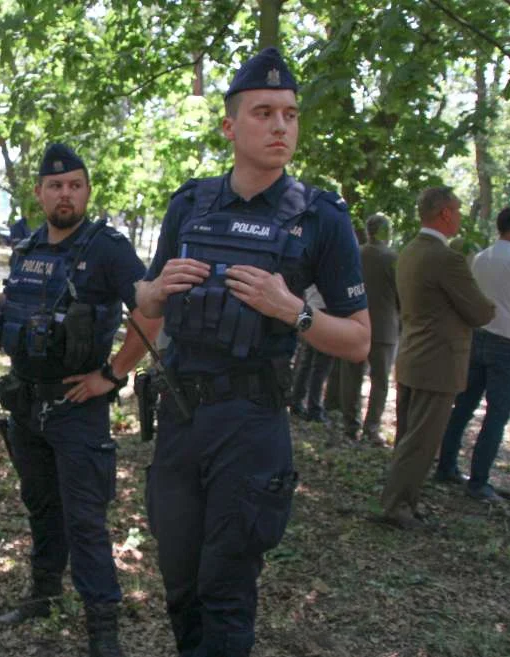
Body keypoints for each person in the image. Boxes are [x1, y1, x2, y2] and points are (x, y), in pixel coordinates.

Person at [134, 48, 371, 657]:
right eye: (264, 113)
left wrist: (291, 309)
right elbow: (147, 304)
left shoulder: (321, 218)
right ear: (230, 126)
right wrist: (153, 290)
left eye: (290, 115)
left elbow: (359, 340)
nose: (280, 126)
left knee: (227, 590)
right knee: (180, 585)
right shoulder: (190, 204)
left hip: (252, 424)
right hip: (181, 420)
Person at [0, 143, 160, 657]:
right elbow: (20, 310)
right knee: (41, 505)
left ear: (86, 191)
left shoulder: (108, 249)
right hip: (26, 403)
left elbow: (152, 312)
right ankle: (45, 592)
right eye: (55, 185)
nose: (65, 193)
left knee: (84, 518)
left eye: (75, 185)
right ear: (38, 192)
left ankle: (104, 629)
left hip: (79, 408)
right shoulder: (29, 247)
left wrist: (113, 374)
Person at [378, 186, 495, 529]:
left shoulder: (410, 251)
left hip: (413, 355)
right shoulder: (447, 259)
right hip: (439, 362)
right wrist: (491, 306)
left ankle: (403, 500)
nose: (459, 217)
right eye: (457, 210)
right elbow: (478, 311)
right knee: (422, 441)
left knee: (409, 437)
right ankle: (398, 506)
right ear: (445, 213)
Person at [434, 206, 510, 501]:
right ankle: (478, 481)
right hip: (509, 342)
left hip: (478, 336)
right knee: (496, 414)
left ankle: (446, 465)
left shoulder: (482, 258)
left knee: (463, 406)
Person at [338, 213, 399, 443]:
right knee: (380, 380)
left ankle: (349, 424)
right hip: (383, 327)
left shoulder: (354, 254)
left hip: (353, 323)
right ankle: (371, 428)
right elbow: (401, 293)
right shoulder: (393, 258)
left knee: (351, 377)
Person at [288, 285, 334, 425]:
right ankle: (313, 408)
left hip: (307, 307)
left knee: (306, 358)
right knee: (320, 363)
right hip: (323, 309)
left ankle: (296, 401)